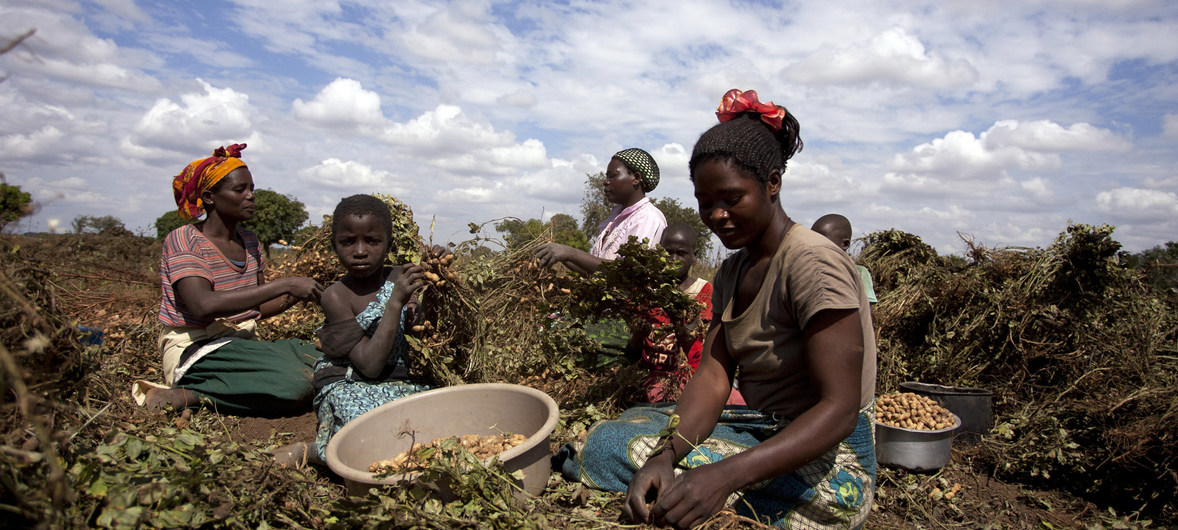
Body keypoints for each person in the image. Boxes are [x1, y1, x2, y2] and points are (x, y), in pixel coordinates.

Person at [558, 89, 877, 528]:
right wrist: (665, 456)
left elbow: (839, 409)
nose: (717, 216)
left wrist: (724, 476)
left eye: (731, 199)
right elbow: (712, 375)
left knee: (613, 449)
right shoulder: (733, 269)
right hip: (761, 426)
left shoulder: (813, 264)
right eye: (705, 204)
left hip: (831, 457)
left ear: (772, 183)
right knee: (628, 431)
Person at [141, 143, 324, 415]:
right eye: (240, 190)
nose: (250, 197)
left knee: (323, 360)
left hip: (239, 342)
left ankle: (242, 378)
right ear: (210, 197)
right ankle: (187, 394)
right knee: (294, 385)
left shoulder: (250, 241)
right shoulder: (185, 240)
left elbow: (257, 307)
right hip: (196, 347)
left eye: (252, 189)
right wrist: (285, 284)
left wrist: (299, 294)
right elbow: (203, 305)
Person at [274, 194, 442, 467]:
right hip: (353, 382)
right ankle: (314, 451)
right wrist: (396, 302)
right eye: (348, 241)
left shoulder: (400, 276)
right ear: (334, 245)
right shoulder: (336, 296)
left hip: (403, 381)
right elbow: (369, 365)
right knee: (364, 427)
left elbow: (426, 330)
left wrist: (439, 276)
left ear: (389, 244)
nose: (360, 251)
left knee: (438, 418)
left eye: (373, 241)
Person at [536, 147, 667, 275]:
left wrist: (570, 253)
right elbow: (595, 273)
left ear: (636, 178)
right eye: (606, 176)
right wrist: (562, 255)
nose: (605, 182)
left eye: (612, 176)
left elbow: (629, 273)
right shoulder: (615, 219)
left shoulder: (648, 218)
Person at [811, 214, 877, 306]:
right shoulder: (809, 271)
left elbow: (865, 309)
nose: (816, 246)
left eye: (823, 242)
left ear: (845, 244)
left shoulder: (859, 273)